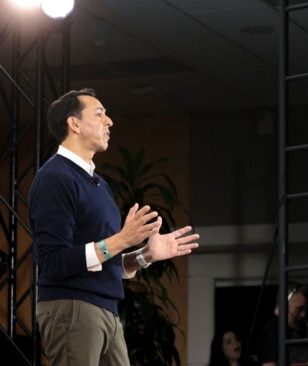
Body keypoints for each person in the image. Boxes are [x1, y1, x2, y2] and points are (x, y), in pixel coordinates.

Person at [28, 88, 200, 366]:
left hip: (106, 309)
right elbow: (52, 260)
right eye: (99, 114)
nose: (110, 121)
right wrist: (121, 239)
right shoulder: (54, 177)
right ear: (74, 124)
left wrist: (144, 256)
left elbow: (101, 260)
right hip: (73, 307)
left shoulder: (100, 184)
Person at [255, 283, 308, 366]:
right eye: (299, 309)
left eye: (304, 310)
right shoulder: (273, 330)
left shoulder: (285, 329)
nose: (303, 315)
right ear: (284, 306)